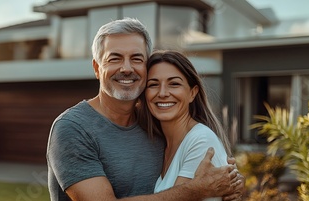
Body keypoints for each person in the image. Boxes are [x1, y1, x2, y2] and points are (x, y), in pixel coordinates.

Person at [47, 18, 243, 201]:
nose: (126, 68)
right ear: (97, 68)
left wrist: (228, 184)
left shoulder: (152, 124)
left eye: (136, 58)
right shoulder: (72, 128)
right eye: (115, 58)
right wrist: (196, 189)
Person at [137, 50, 236, 200]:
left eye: (174, 84)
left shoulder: (201, 141)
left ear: (192, 93)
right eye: (153, 84)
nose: (162, 93)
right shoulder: (161, 144)